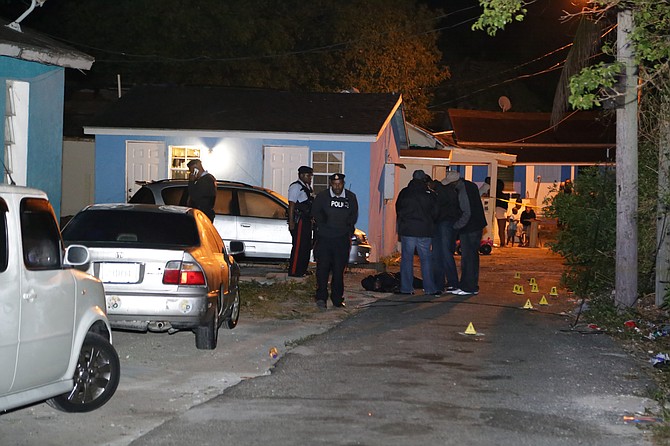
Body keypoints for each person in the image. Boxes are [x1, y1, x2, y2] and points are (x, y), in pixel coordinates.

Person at [311, 173, 358, 309]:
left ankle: (337, 299)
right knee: (322, 269)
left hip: (341, 239)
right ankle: (321, 298)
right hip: (325, 239)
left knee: (339, 270)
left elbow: (353, 215)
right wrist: (324, 225)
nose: (337, 187)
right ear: (331, 184)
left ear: (343, 183)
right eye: (335, 184)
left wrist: (346, 229)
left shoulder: (350, 197)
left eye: (340, 184)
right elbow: (316, 212)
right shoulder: (323, 197)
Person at [395, 169, 440, 296]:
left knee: (407, 259)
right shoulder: (430, 194)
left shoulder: (404, 192)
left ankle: (406, 288)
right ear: (424, 179)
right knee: (426, 259)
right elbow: (436, 212)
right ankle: (430, 288)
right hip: (425, 230)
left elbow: (398, 209)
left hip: (408, 230)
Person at [453, 174, 488, 295]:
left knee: (468, 258)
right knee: (470, 257)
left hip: (470, 228)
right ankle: (466, 285)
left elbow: (466, 213)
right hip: (476, 226)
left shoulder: (462, 191)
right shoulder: (470, 186)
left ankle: (469, 287)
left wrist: (456, 226)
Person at [432, 170, 461, 293]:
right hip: (448, 223)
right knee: (445, 252)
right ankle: (452, 282)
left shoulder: (440, 191)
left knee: (438, 253)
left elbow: (436, 208)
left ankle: (440, 283)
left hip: (440, 222)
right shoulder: (455, 192)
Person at [287, 166, 315, 277]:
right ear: (301, 175)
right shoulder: (296, 187)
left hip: (307, 219)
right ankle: (294, 271)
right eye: (309, 176)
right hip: (299, 220)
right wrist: (291, 222)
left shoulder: (307, 187)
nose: (310, 178)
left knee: (306, 246)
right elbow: (292, 205)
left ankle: (302, 269)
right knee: (298, 246)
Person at [494, 179, 508, 247]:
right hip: (502, 212)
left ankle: (502, 243)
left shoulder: (494, 194)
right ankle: (503, 243)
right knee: (502, 229)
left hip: (497, 211)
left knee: (500, 230)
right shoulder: (503, 196)